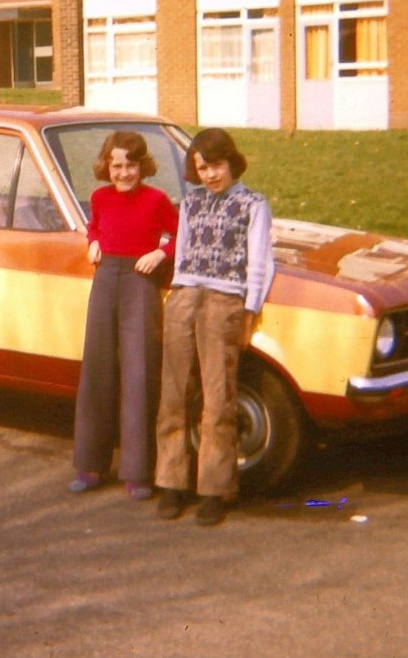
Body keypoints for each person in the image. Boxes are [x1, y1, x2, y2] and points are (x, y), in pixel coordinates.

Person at [154, 128, 275, 526]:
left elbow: (260, 262)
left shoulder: (253, 204)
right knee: (173, 393)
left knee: (217, 398)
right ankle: (172, 483)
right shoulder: (190, 204)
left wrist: (249, 311)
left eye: (217, 165)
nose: (210, 175)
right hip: (186, 296)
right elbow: (184, 255)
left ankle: (214, 489)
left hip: (225, 300)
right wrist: (176, 298)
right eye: (202, 167)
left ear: (232, 163)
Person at [70, 131, 179, 500]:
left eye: (131, 165)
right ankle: (90, 464)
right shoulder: (99, 197)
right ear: (107, 166)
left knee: (139, 373)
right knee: (97, 369)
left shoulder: (156, 199)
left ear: (142, 166)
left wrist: (162, 254)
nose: (124, 172)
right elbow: (96, 225)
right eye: (116, 165)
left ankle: (138, 471)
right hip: (105, 280)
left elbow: (183, 235)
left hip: (140, 282)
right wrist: (94, 242)